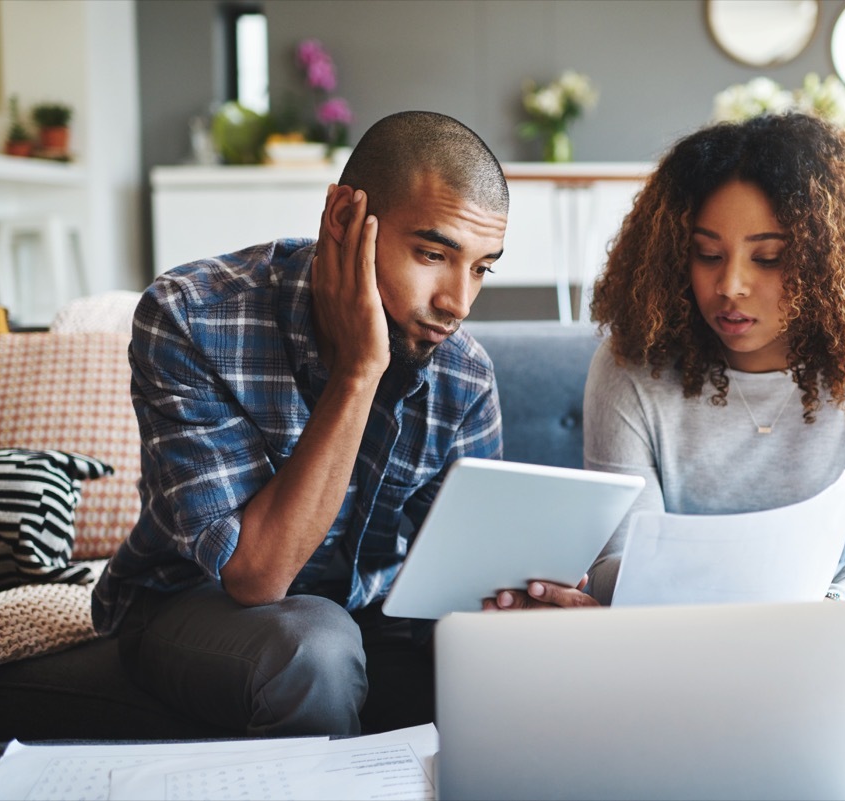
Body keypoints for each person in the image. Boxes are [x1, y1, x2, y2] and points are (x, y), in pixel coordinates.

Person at [91, 111, 581, 738]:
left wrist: (529, 605)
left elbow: (463, 568)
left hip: (369, 613)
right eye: (433, 254)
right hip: (192, 603)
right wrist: (358, 372)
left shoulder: (464, 376)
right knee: (315, 650)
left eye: (482, 267)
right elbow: (255, 574)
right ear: (344, 219)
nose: (458, 302)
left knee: (518, 657)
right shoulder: (192, 317)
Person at [582, 112, 845, 716]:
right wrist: (720, 615)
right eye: (706, 254)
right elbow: (616, 561)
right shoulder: (632, 363)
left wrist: (826, 618)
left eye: (768, 258)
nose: (729, 285)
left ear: (830, 262)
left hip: (835, 597)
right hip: (674, 608)